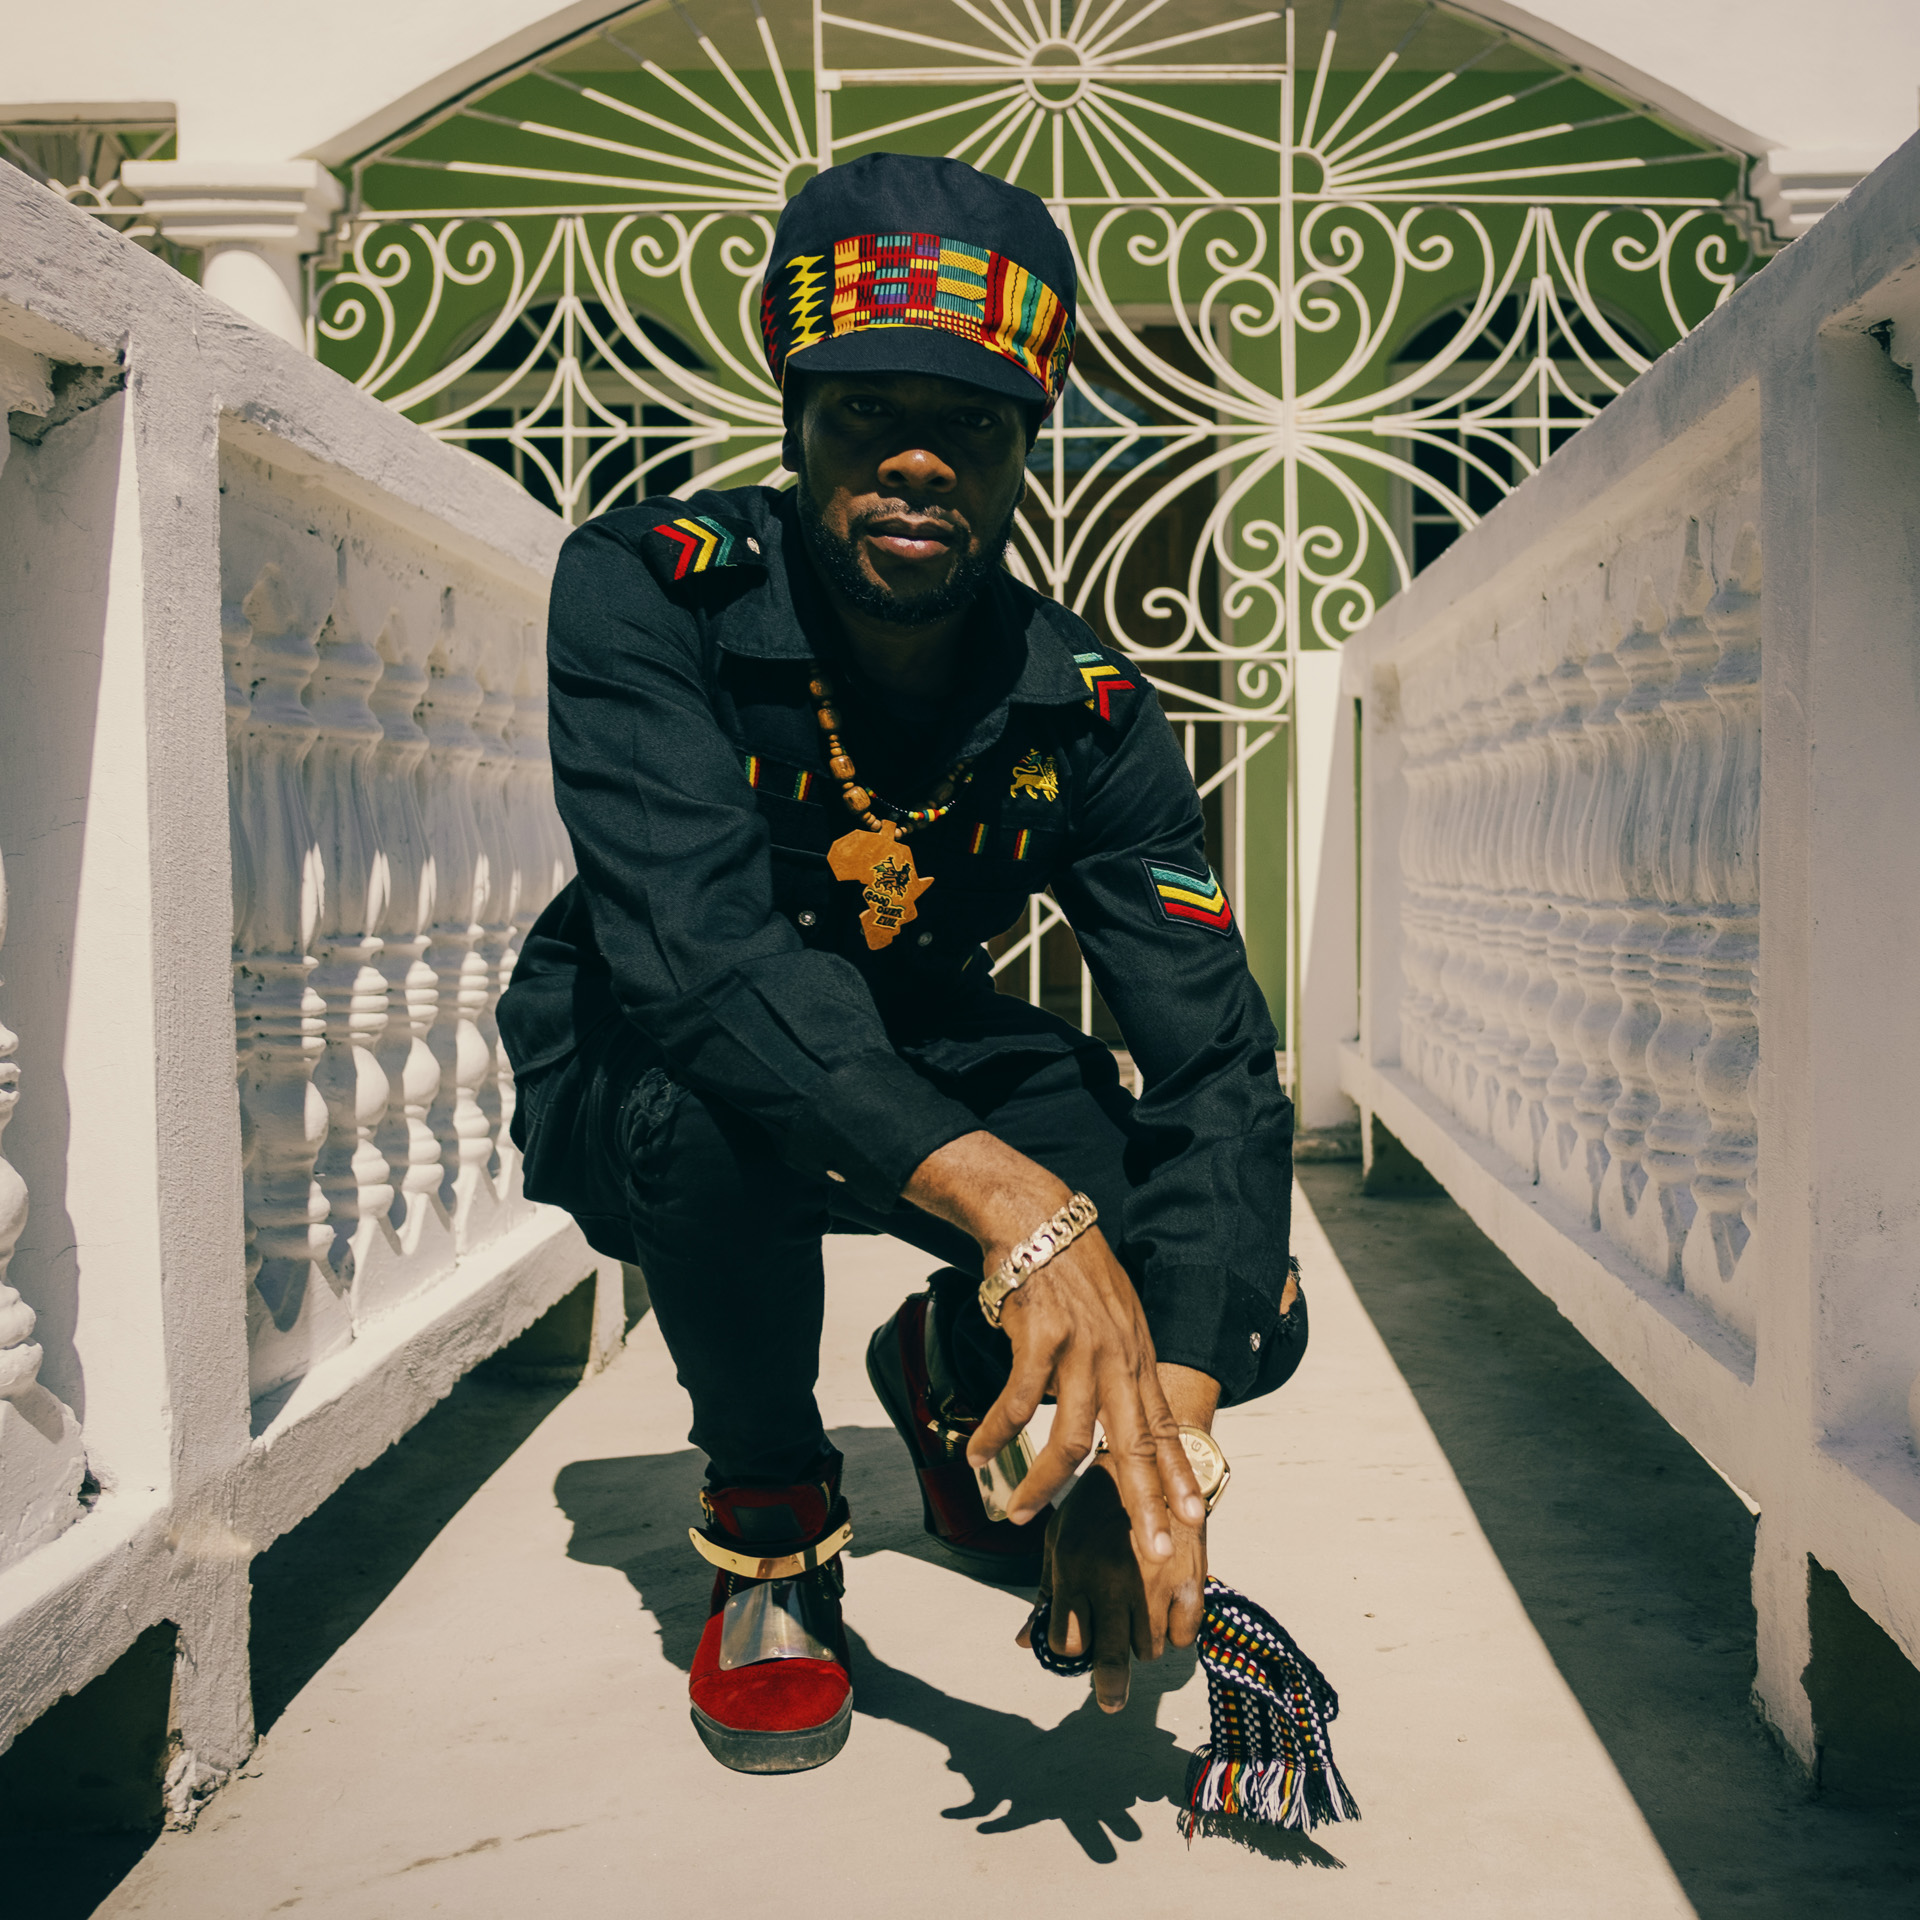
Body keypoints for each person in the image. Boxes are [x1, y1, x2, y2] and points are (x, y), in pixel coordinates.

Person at [499, 151, 1304, 1776]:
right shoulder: (647, 588)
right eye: (867, 414)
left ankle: (958, 1384)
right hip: (654, 1051)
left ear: (1026, 447)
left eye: (978, 426)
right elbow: (700, 958)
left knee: (1228, 1281)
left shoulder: (1089, 707)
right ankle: (775, 1522)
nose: (920, 462)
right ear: (793, 411)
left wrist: (1148, 1442)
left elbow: (1215, 1063)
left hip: (907, 1032)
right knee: (708, 1111)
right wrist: (1017, 1210)